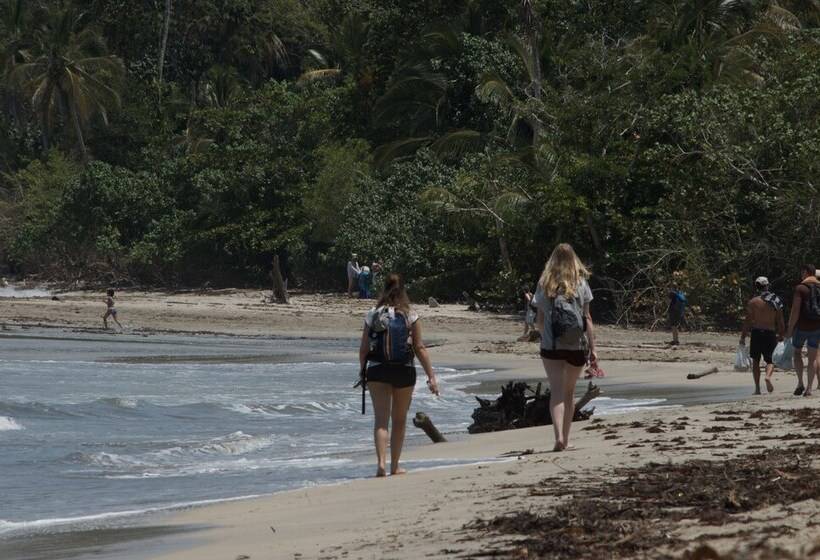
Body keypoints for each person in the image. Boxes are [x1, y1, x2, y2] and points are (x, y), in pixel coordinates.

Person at [359, 274, 439, 477]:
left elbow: (364, 348)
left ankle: (381, 464)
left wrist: (362, 370)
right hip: (404, 370)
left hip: (377, 370)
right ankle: (395, 465)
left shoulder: (373, 313)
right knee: (400, 419)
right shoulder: (410, 315)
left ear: (384, 290)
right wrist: (431, 376)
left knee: (381, 421)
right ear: (403, 291)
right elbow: (420, 347)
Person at [532, 244, 597, 452]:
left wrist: (546, 337)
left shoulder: (545, 283)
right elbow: (587, 319)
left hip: (551, 346)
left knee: (557, 392)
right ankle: (567, 440)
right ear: (574, 260)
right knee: (569, 393)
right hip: (576, 346)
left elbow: (540, 321)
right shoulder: (581, 283)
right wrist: (593, 349)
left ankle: (558, 436)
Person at [739, 277, 785, 394]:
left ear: (756, 286)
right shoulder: (775, 300)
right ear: (767, 285)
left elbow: (748, 321)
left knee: (756, 361)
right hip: (770, 332)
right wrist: (781, 334)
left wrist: (743, 336)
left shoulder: (753, 302)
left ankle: (757, 388)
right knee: (770, 360)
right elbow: (780, 320)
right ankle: (768, 377)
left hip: (757, 333)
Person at [786, 264, 820, 396]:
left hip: (801, 327)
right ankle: (810, 389)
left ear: (806, 272)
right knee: (812, 359)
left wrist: (790, 329)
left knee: (797, 353)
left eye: (802, 272)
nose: (801, 275)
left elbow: (795, 311)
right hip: (817, 328)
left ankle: (800, 383)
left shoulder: (800, 288)